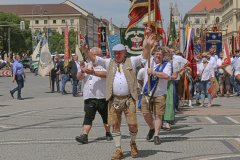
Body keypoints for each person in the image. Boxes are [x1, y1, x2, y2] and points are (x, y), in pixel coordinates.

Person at [82, 41, 149, 159]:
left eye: (119, 53)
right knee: (115, 125)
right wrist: (85, 50)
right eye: (115, 53)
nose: (117, 55)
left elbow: (145, 55)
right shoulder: (109, 62)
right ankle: (118, 149)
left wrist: (147, 44)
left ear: (124, 53)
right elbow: (94, 58)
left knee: (133, 125)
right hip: (114, 99)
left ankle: (133, 143)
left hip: (129, 99)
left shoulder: (132, 61)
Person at [75, 47, 112, 144]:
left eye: (96, 55)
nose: (93, 57)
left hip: (103, 96)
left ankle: (108, 133)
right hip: (90, 97)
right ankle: (84, 135)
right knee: (88, 117)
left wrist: (93, 72)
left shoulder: (104, 64)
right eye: (92, 54)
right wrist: (83, 70)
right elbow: (79, 77)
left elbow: (107, 74)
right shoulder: (86, 65)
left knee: (106, 117)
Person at [141, 45, 171, 145]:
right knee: (145, 114)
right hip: (147, 94)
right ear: (153, 54)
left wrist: (153, 72)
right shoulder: (148, 61)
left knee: (158, 115)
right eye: (156, 53)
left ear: (163, 56)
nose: (158, 55)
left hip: (160, 94)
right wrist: (148, 42)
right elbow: (145, 49)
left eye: (160, 54)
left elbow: (166, 76)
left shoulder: (167, 65)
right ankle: (152, 128)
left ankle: (156, 135)